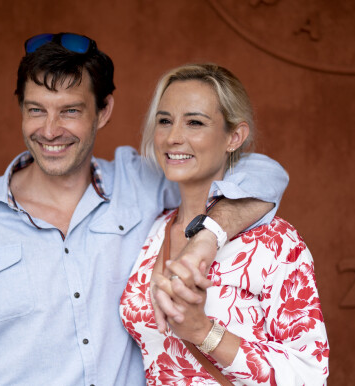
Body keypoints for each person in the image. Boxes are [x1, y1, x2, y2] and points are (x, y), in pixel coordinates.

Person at [0, 33, 289, 385]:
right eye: (36, 110)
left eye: (69, 111)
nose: (50, 130)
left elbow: (263, 173)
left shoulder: (143, 184)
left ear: (103, 111)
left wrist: (207, 236)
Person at [120, 63, 329, 385]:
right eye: (165, 121)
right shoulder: (152, 231)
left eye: (195, 122)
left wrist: (203, 331)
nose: (173, 137)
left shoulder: (274, 242)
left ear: (234, 137)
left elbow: (310, 376)